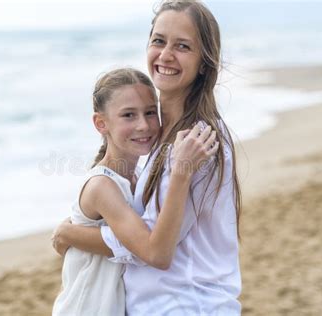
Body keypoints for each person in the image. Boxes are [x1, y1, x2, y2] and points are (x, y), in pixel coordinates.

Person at [53, 0, 242, 314]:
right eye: (159, 40)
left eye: (182, 46)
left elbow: (153, 247)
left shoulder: (197, 141)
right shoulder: (161, 137)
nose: (166, 55)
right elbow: (144, 229)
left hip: (186, 305)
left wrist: (72, 234)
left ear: (204, 63)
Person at [52, 67, 219, 316]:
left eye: (150, 113)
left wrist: (69, 234)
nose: (143, 125)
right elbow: (153, 251)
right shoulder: (102, 186)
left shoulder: (139, 178)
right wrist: (180, 174)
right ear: (101, 123)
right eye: (128, 115)